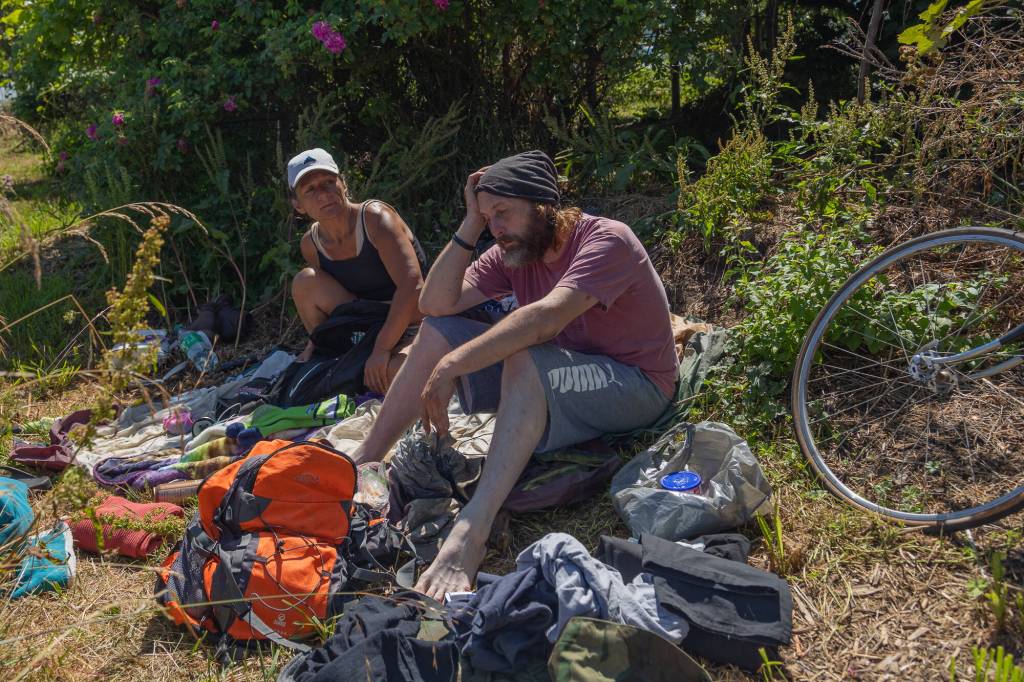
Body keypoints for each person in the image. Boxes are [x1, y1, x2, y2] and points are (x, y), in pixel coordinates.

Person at [350, 150, 679, 600]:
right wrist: (471, 223)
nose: (496, 229)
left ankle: (471, 531)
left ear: (542, 204)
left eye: (502, 212)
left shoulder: (607, 240)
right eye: (489, 218)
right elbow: (434, 304)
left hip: (635, 383)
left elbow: (545, 319)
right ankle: (363, 460)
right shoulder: (514, 252)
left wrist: (453, 365)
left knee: (523, 356)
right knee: (438, 332)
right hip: (559, 370)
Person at [288, 148, 428, 393]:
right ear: (298, 205)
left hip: (412, 319)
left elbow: (412, 286)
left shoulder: (375, 219)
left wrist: (382, 349)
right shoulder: (311, 243)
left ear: (343, 184)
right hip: (366, 322)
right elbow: (331, 297)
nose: (324, 194)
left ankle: (366, 364)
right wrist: (312, 345)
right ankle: (334, 354)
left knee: (398, 373)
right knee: (304, 282)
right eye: (310, 190)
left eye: (329, 182)